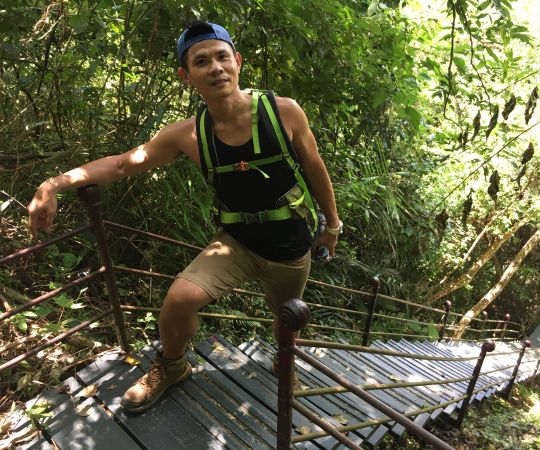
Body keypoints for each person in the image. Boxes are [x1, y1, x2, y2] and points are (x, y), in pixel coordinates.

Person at [27, 22, 341, 414]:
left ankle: (284, 358)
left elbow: (315, 168)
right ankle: (173, 367)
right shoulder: (188, 134)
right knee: (178, 299)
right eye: (201, 61)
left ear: (238, 61)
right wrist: (53, 183)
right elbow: (125, 164)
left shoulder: (283, 112)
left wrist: (332, 226)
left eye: (222, 57)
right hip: (237, 241)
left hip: (290, 246)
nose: (216, 68)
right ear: (186, 75)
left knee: (288, 318)